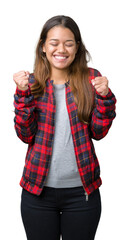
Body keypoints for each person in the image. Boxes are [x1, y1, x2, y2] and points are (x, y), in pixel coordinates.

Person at [13, 15, 116, 240]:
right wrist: (22, 94)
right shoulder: (31, 84)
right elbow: (25, 134)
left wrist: (105, 97)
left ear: (77, 48)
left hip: (82, 194)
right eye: (54, 43)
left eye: (69, 43)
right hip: (37, 193)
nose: (62, 49)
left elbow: (99, 132)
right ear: (43, 46)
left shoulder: (91, 79)